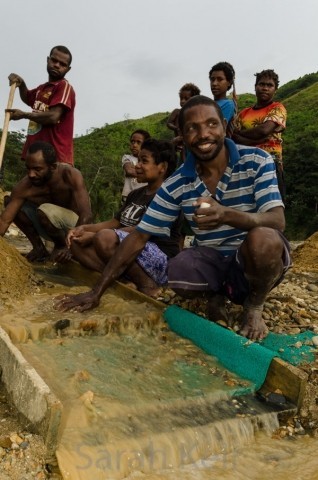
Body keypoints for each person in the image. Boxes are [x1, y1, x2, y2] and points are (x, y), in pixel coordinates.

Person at [56, 96, 291, 342]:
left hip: (251, 259)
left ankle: (254, 305)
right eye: (192, 128)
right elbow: (138, 237)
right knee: (179, 270)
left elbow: (277, 221)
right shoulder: (177, 183)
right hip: (214, 258)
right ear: (182, 134)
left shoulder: (257, 160)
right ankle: (216, 294)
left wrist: (226, 214)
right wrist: (96, 292)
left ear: (224, 125)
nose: (203, 134)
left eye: (211, 124)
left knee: (264, 239)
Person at [61, 139, 181, 296]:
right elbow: (115, 222)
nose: (137, 165)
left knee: (105, 238)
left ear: (162, 167)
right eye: (139, 160)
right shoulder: (136, 194)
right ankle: (123, 280)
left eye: (144, 161)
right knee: (75, 242)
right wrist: (83, 228)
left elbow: (141, 232)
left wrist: (94, 236)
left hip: (160, 260)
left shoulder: (168, 197)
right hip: (128, 253)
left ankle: (148, 285)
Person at [0, 141, 92, 263]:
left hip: (76, 227)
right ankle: (39, 248)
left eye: (37, 169)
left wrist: (73, 246)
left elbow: (87, 215)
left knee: (45, 210)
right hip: (47, 225)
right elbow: (4, 221)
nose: (31, 174)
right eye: (28, 168)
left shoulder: (70, 175)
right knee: (10, 201)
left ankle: (61, 247)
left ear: (53, 167)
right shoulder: (25, 186)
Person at [6, 45, 76, 166]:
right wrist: (21, 83)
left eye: (62, 64)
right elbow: (28, 98)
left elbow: (53, 117)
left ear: (68, 69)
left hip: (55, 160)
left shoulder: (64, 87)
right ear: (48, 60)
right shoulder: (42, 88)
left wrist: (24, 115)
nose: (57, 65)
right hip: (37, 157)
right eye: (54, 60)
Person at [232, 69, 287, 200]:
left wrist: (242, 135)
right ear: (255, 87)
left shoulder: (278, 108)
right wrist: (255, 140)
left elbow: (264, 130)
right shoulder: (243, 114)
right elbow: (233, 138)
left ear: (275, 90)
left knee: (273, 209)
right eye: (262, 84)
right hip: (246, 166)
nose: (265, 88)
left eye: (270, 85)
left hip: (272, 165)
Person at [167, 83, 201, 164]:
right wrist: (176, 128)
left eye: (186, 99)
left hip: (190, 142)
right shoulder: (177, 112)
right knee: (182, 158)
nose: (182, 101)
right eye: (181, 98)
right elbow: (168, 123)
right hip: (179, 141)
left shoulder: (195, 115)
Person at [121, 129, 150, 203]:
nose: (134, 145)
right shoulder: (127, 157)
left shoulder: (150, 160)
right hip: (128, 198)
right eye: (132, 142)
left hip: (144, 197)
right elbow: (129, 171)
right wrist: (149, 175)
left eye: (138, 142)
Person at [209, 61, 237, 138]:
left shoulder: (228, 104)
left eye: (220, 79)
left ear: (229, 82)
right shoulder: (207, 104)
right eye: (212, 79)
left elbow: (214, 131)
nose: (214, 83)